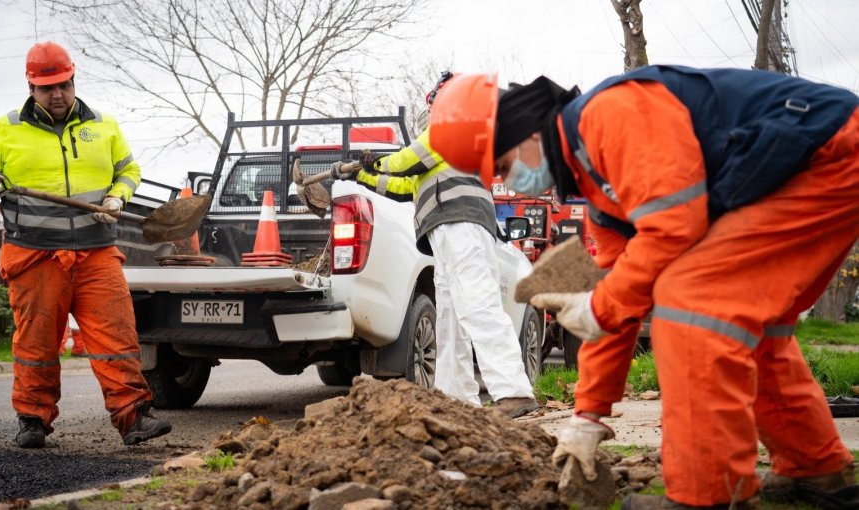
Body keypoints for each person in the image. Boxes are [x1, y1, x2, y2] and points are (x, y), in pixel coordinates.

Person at [428, 68, 859, 509]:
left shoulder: (610, 115)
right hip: (806, 163)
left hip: (827, 153)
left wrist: (601, 304)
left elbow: (674, 229)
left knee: (692, 301)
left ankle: (705, 496)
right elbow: (618, 304)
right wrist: (587, 413)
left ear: (523, 133)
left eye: (502, 166)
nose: (510, 181)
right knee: (747, 323)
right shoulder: (602, 197)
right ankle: (819, 469)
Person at [0, 41, 171, 449]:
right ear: (31, 87)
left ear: (73, 80)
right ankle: (33, 420)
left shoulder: (104, 125)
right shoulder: (4, 129)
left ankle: (135, 419)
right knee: (36, 342)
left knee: (117, 336)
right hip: (35, 254)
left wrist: (117, 198)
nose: (57, 94)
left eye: (64, 84)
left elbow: (128, 168)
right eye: (47, 88)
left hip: (96, 251)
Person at [330, 71, 539, 418]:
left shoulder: (452, 128)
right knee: (450, 319)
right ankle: (455, 398)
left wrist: (372, 160)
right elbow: (402, 187)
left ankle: (513, 391)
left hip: (461, 226)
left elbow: (403, 162)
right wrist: (362, 176)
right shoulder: (445, 152)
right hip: (449, 231)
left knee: (477, 304)